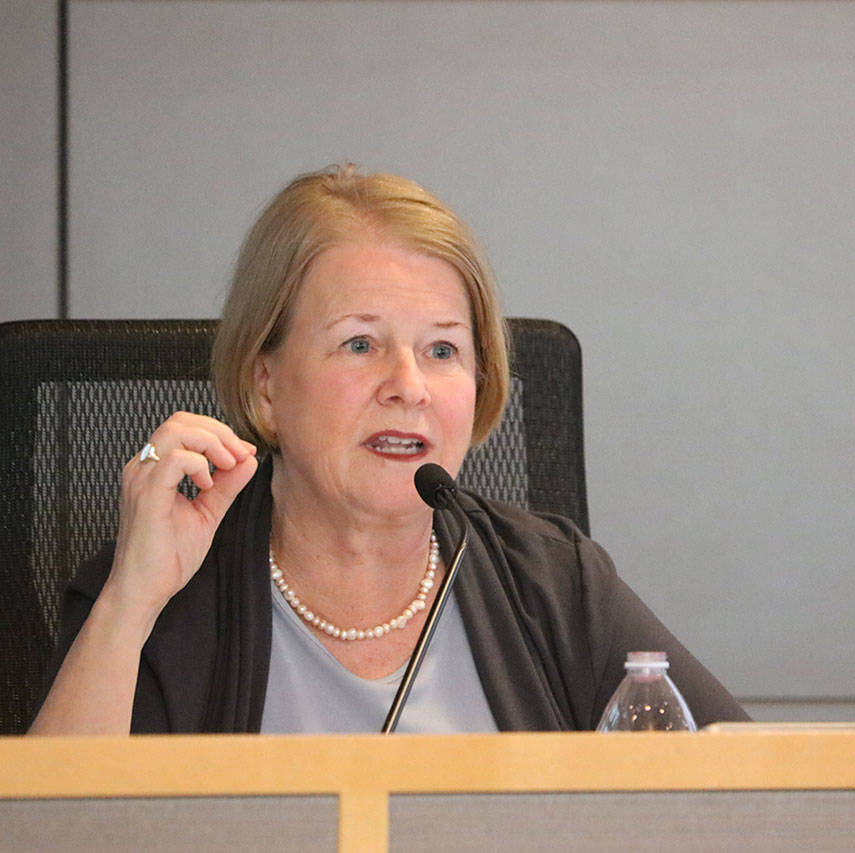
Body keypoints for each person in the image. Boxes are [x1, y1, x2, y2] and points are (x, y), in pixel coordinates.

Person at [30, 164, 747, 734]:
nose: (409, 386)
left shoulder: (554, 583)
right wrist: (131, 600)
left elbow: (753, 792)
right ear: (265, 383)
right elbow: (51, 832)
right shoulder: (170, 590)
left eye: (442, 349)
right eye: (360, 344)